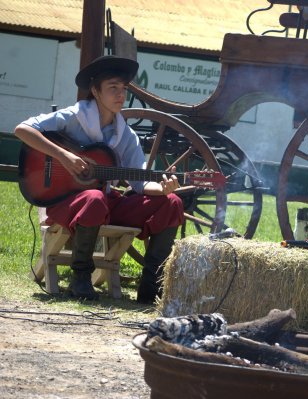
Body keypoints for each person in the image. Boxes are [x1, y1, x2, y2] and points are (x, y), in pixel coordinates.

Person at [14, 55, 184, 303]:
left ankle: (150, 289)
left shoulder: (126, 135)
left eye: (123, 89)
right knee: (93, 198)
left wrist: (163, 188)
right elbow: (23, 129)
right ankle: (80, 278)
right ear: (95, 90)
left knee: (172, 203)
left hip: (104, 203)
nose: (120, 95)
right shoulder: (74, 116)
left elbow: (141, 183)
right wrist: (63, 156)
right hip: (68, 204)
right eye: (113, 88)